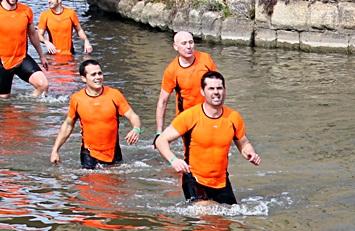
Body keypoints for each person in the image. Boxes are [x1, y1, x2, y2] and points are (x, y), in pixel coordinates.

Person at [155, 70, 260, 204]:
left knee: (227, 222)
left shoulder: (233, 117)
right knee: (206, 213)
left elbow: (244, 144)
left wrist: (250, 153)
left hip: (221, 182)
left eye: (219, 88)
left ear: (224, 90)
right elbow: (161, 140)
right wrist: (173, 160)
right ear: (203, 92)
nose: (216, 92)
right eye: (211, 88)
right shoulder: (190, 116)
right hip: (195, 179)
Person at [50, 59, 141, 168]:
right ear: (83, 78)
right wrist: (55, 150)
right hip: (89, 154)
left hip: (113, 152)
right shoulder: (77, 99)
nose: (98, 77)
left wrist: (136, 129)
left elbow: (133, 116)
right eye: (93, 75)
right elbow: (68, 125)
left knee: (115, 183)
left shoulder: (114, 95)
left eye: (100, 73)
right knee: (90, 183)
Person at [154, 31, 217, 140]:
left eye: (191, 42)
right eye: (184, 43)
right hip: (187, 117)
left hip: (209, 113)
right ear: (175, 46)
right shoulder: (172, 71)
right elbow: (162, 101)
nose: (189, 47)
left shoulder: (205, 59)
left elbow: (218, 85)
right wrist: (159, 132)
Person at [0, 0, 54, 98]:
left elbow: (33, 34)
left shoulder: (26, 10)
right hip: (3, 61)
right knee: (4, 100)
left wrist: (41, 56)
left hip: (21, 58)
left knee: (43, 85)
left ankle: (28, 109)